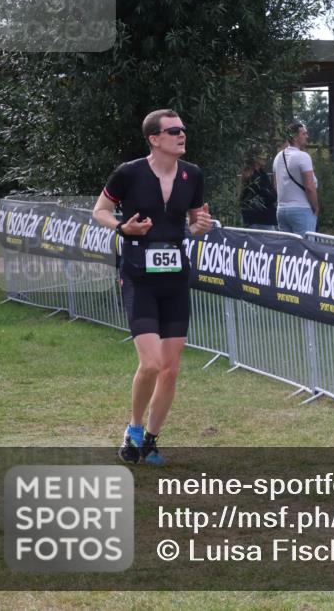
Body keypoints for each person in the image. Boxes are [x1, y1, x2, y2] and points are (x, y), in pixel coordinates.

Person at [93, 109, 212, 465]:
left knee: (170, 369)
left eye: (183, 129)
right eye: (173, 131)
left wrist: (200, 226)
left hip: (175, 279)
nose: (182, 134)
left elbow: (194, 220)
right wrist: (121, 228)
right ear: (154, 139)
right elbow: (100, 210)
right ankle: (132, 428)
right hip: (138, 276)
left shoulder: (192, 174)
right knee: (151, 364)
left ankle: (150, 440)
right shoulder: (129, 173)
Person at [274, 119, 320, 235]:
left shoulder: (278, 157)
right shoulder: (303, 156)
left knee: (287, 246)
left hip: (281, 210)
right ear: (295, 137)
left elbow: (275, 185)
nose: (307, 136)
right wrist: (316, 207)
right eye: (304, 134)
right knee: (305, 245)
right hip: (301, 209)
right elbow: (309, 187)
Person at [239, 146, 277, 230]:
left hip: (261, 217)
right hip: (260, 219)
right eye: (262, 156)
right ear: (255, 159)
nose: (265, 159)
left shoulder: (261, 173)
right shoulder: (253, 176)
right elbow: (266, 194)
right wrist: (273, 196)